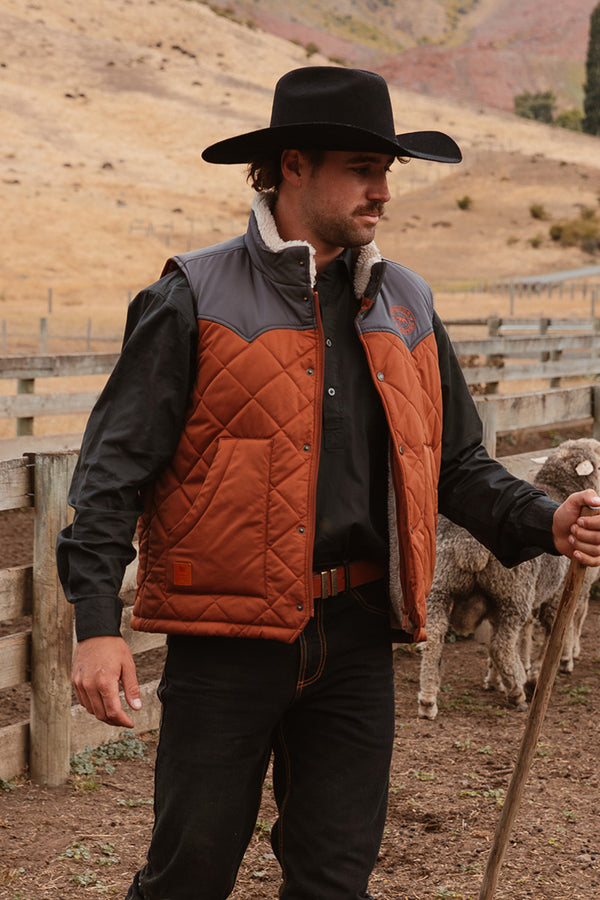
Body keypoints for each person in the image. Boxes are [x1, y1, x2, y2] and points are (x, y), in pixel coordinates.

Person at [56, 66, 600, 900]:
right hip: (226, 642)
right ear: (293, 166)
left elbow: (455, 464)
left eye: (387, 171)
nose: (382, 192)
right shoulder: (191, 296)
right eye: (361, 169)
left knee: (335, 883)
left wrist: (548, 520)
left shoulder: (406, 303)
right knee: (188, 878)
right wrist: (97, 626)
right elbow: (110, 475)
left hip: (355, 637)